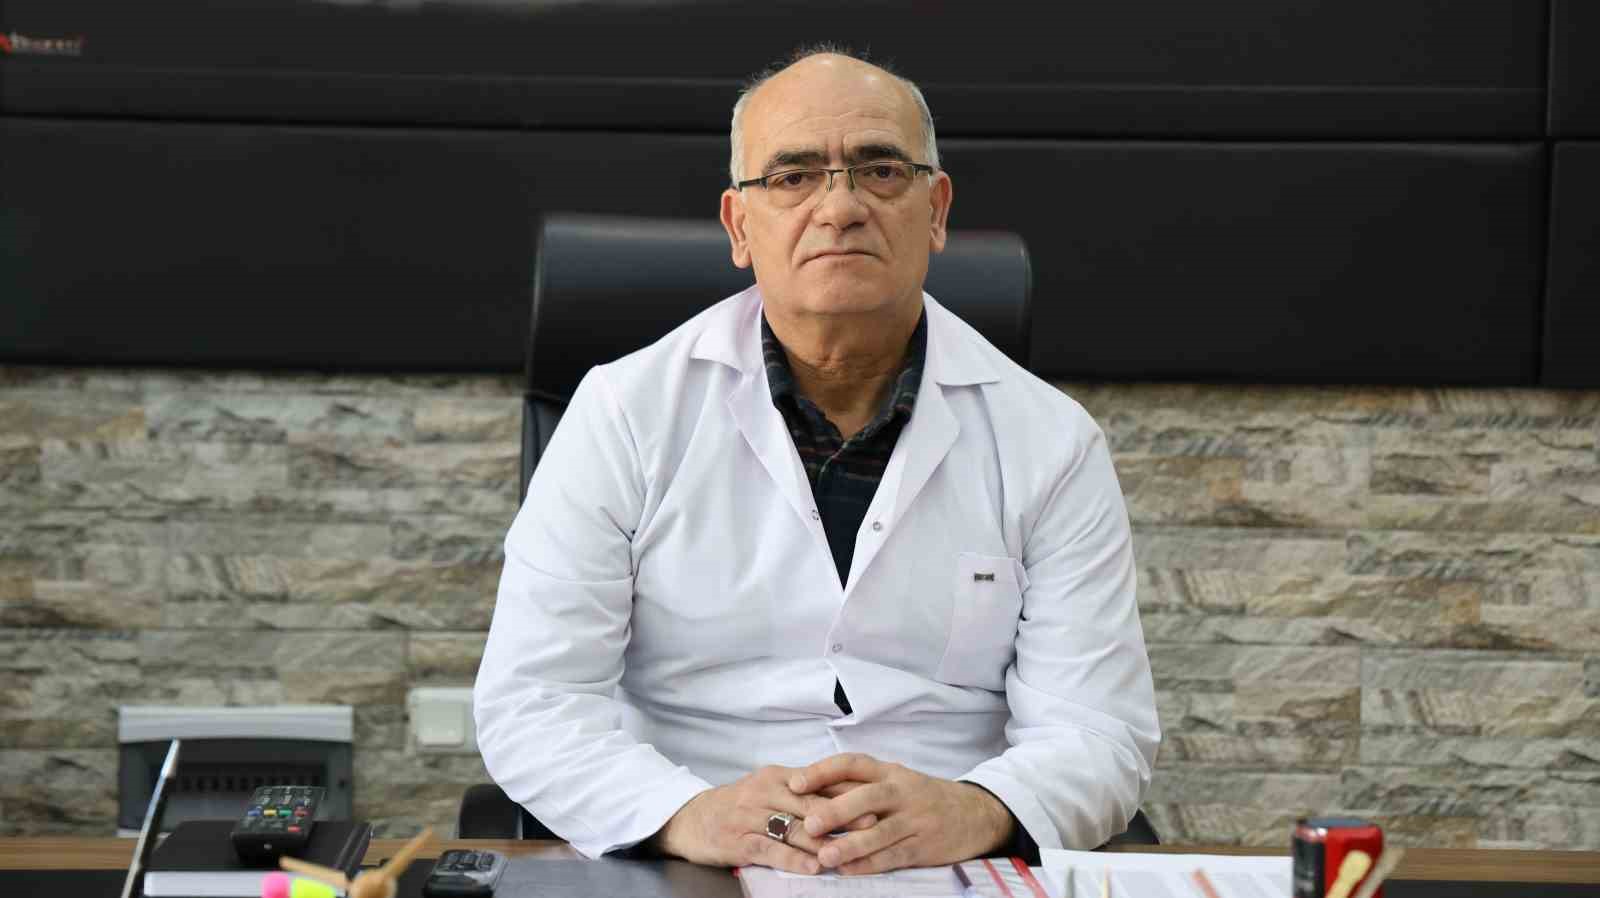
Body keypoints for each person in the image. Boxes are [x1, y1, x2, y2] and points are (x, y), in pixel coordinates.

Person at [473, 46, 1159, 876]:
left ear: (936, 210)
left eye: (880, 171)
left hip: (948, 861)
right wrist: (688, 814)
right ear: (739, 225)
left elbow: (1099, 731)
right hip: (690, 856)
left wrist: (980, 807)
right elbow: (533, 702)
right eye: (793, 176)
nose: (840, 208)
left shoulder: (1051, 440)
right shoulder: (625, 413)